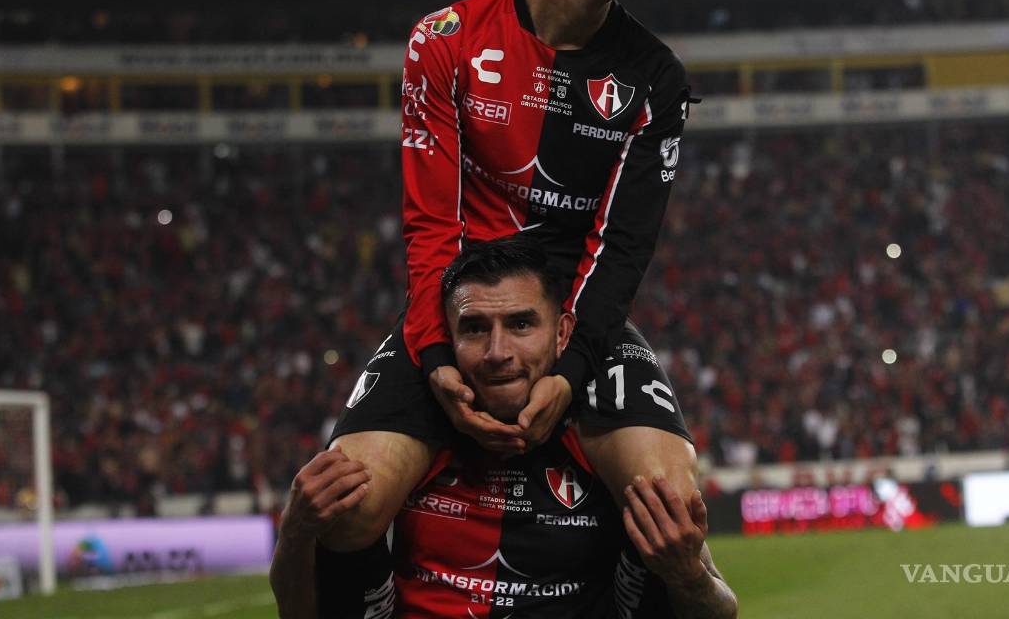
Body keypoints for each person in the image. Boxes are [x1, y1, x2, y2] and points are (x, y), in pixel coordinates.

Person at [324, 0, 697, 572]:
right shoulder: (445, 41)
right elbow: (432, 226)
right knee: (346, 504)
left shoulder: (656, 79)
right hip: (458, 318)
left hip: (575, 324)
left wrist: (569, 371)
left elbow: (621, 250)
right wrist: (435, 358)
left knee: (674, 506)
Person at [271, 236, 737, 618]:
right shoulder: (409, 443)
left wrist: (687, 576)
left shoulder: (604, 443)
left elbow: (721, 609)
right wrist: (294, 532)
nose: (498, 352)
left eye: (520, 324)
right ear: (446, 341)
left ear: (562, 334)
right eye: (475, 328)